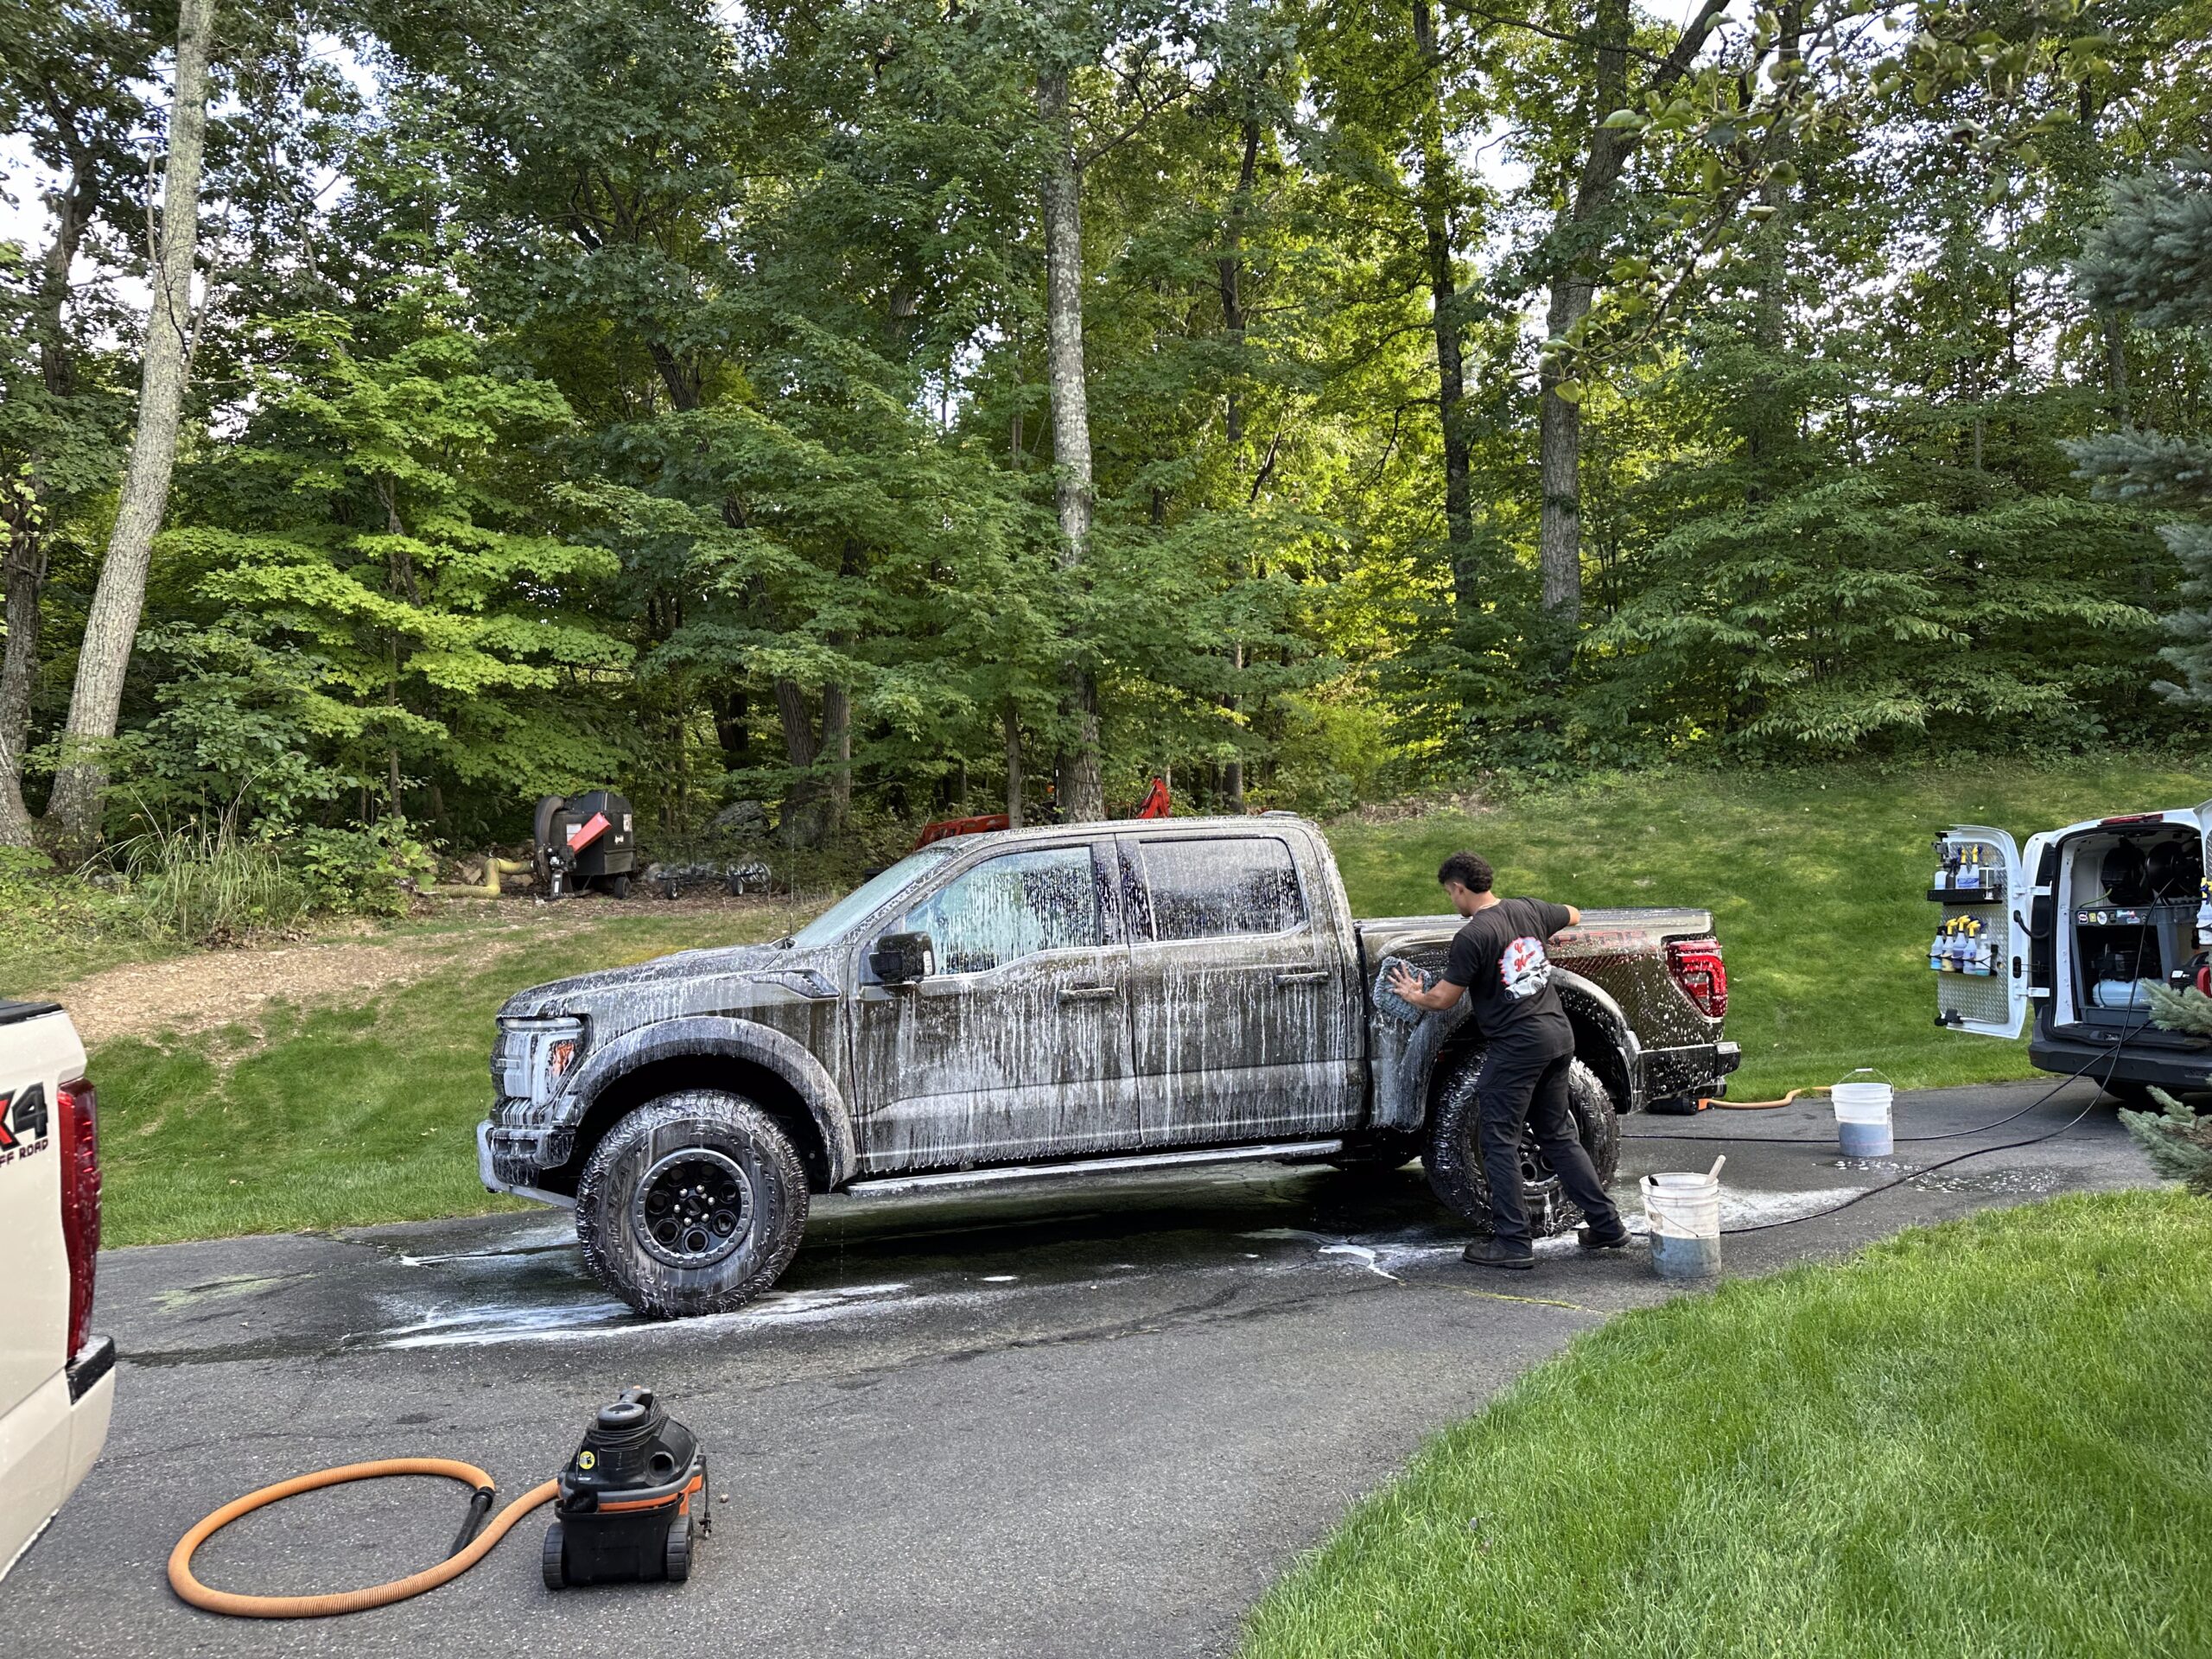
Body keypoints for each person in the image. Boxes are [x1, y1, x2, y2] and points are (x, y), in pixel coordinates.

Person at [1385, 851, 1628, 1270]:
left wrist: (1413, 995)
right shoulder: (1527, 909)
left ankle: (1513, 1242)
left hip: (1518, 1047)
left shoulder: (1473, 936)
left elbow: (1443, 999)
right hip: (1556, 1036)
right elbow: (1573, 913)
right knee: (1557, 1134)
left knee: (1498, 1140)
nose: (1451, 900)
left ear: (1459, 888)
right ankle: (1606, 1225)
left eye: (1449, 893)